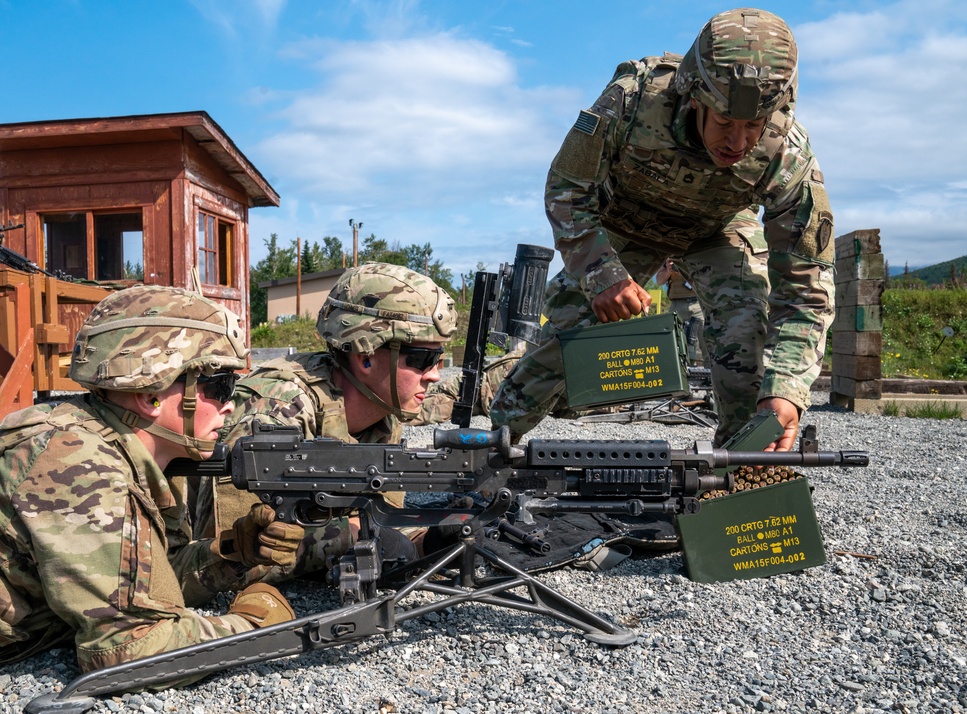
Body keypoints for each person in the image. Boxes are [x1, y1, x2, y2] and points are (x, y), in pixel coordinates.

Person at [491, 8, 835, 451]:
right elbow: (567, 189)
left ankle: (742, 478)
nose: (738, 142)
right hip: (625, 222)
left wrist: (786, 388)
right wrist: (601, 273)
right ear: (695, 96)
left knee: (746, 333)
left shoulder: (787, 155)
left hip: (719, 227)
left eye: (753, 125)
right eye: (725, 122)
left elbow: (807, 288)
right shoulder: (631, 100)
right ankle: (490, 448)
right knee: (569, 334)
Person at [0, 285, 303, 676]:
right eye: (219, 386)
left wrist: (232, 553)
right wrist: (255, 627)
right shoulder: (79, 464)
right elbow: (129, 649)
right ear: (151, 395)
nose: (231, 403)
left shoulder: (127, 446)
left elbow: (139, 582)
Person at [192, 262, 459, 565]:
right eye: (423, 359)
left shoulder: (382, 417)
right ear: (366, 357)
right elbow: (238, 551)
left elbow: (379, 520)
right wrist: (354, 538)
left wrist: (429, 541)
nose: (435, 375)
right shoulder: (277, 409)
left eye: (439, 359)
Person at [656, 259, 709, 367]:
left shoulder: (697, 256)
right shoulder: (669, 259)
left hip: (698, 303)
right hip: (677, 305)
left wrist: (686, 270)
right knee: (678, 342)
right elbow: (659, 281)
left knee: (706, 342)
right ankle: (684, 373)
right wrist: (669, 271)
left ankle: (710, 373)